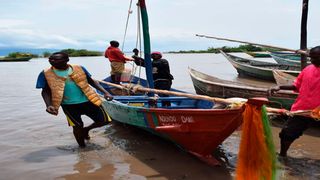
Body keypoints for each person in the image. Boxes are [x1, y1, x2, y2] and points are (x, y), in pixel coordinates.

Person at [36, 52, 113, 148]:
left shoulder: (79, 68)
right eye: (51, 59)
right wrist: (48, 105)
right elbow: (45, 91)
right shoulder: (45, 73)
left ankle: (86, 130)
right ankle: (82, 148)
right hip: (68, 105)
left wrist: (106, 92)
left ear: (66, 60)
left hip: (89, 100)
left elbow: (91, 81)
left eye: (56, 59)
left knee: (105, 120)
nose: (52, 61)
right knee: (77, 126)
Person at [269, 46, 320, 157]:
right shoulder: (308, 69)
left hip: (318, 112)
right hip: (302, 110)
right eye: (311, 58)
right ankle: (283, 155)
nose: (312, 60)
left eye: (315, 58)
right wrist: (280, 87)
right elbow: (296, 85)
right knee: (286, 134)